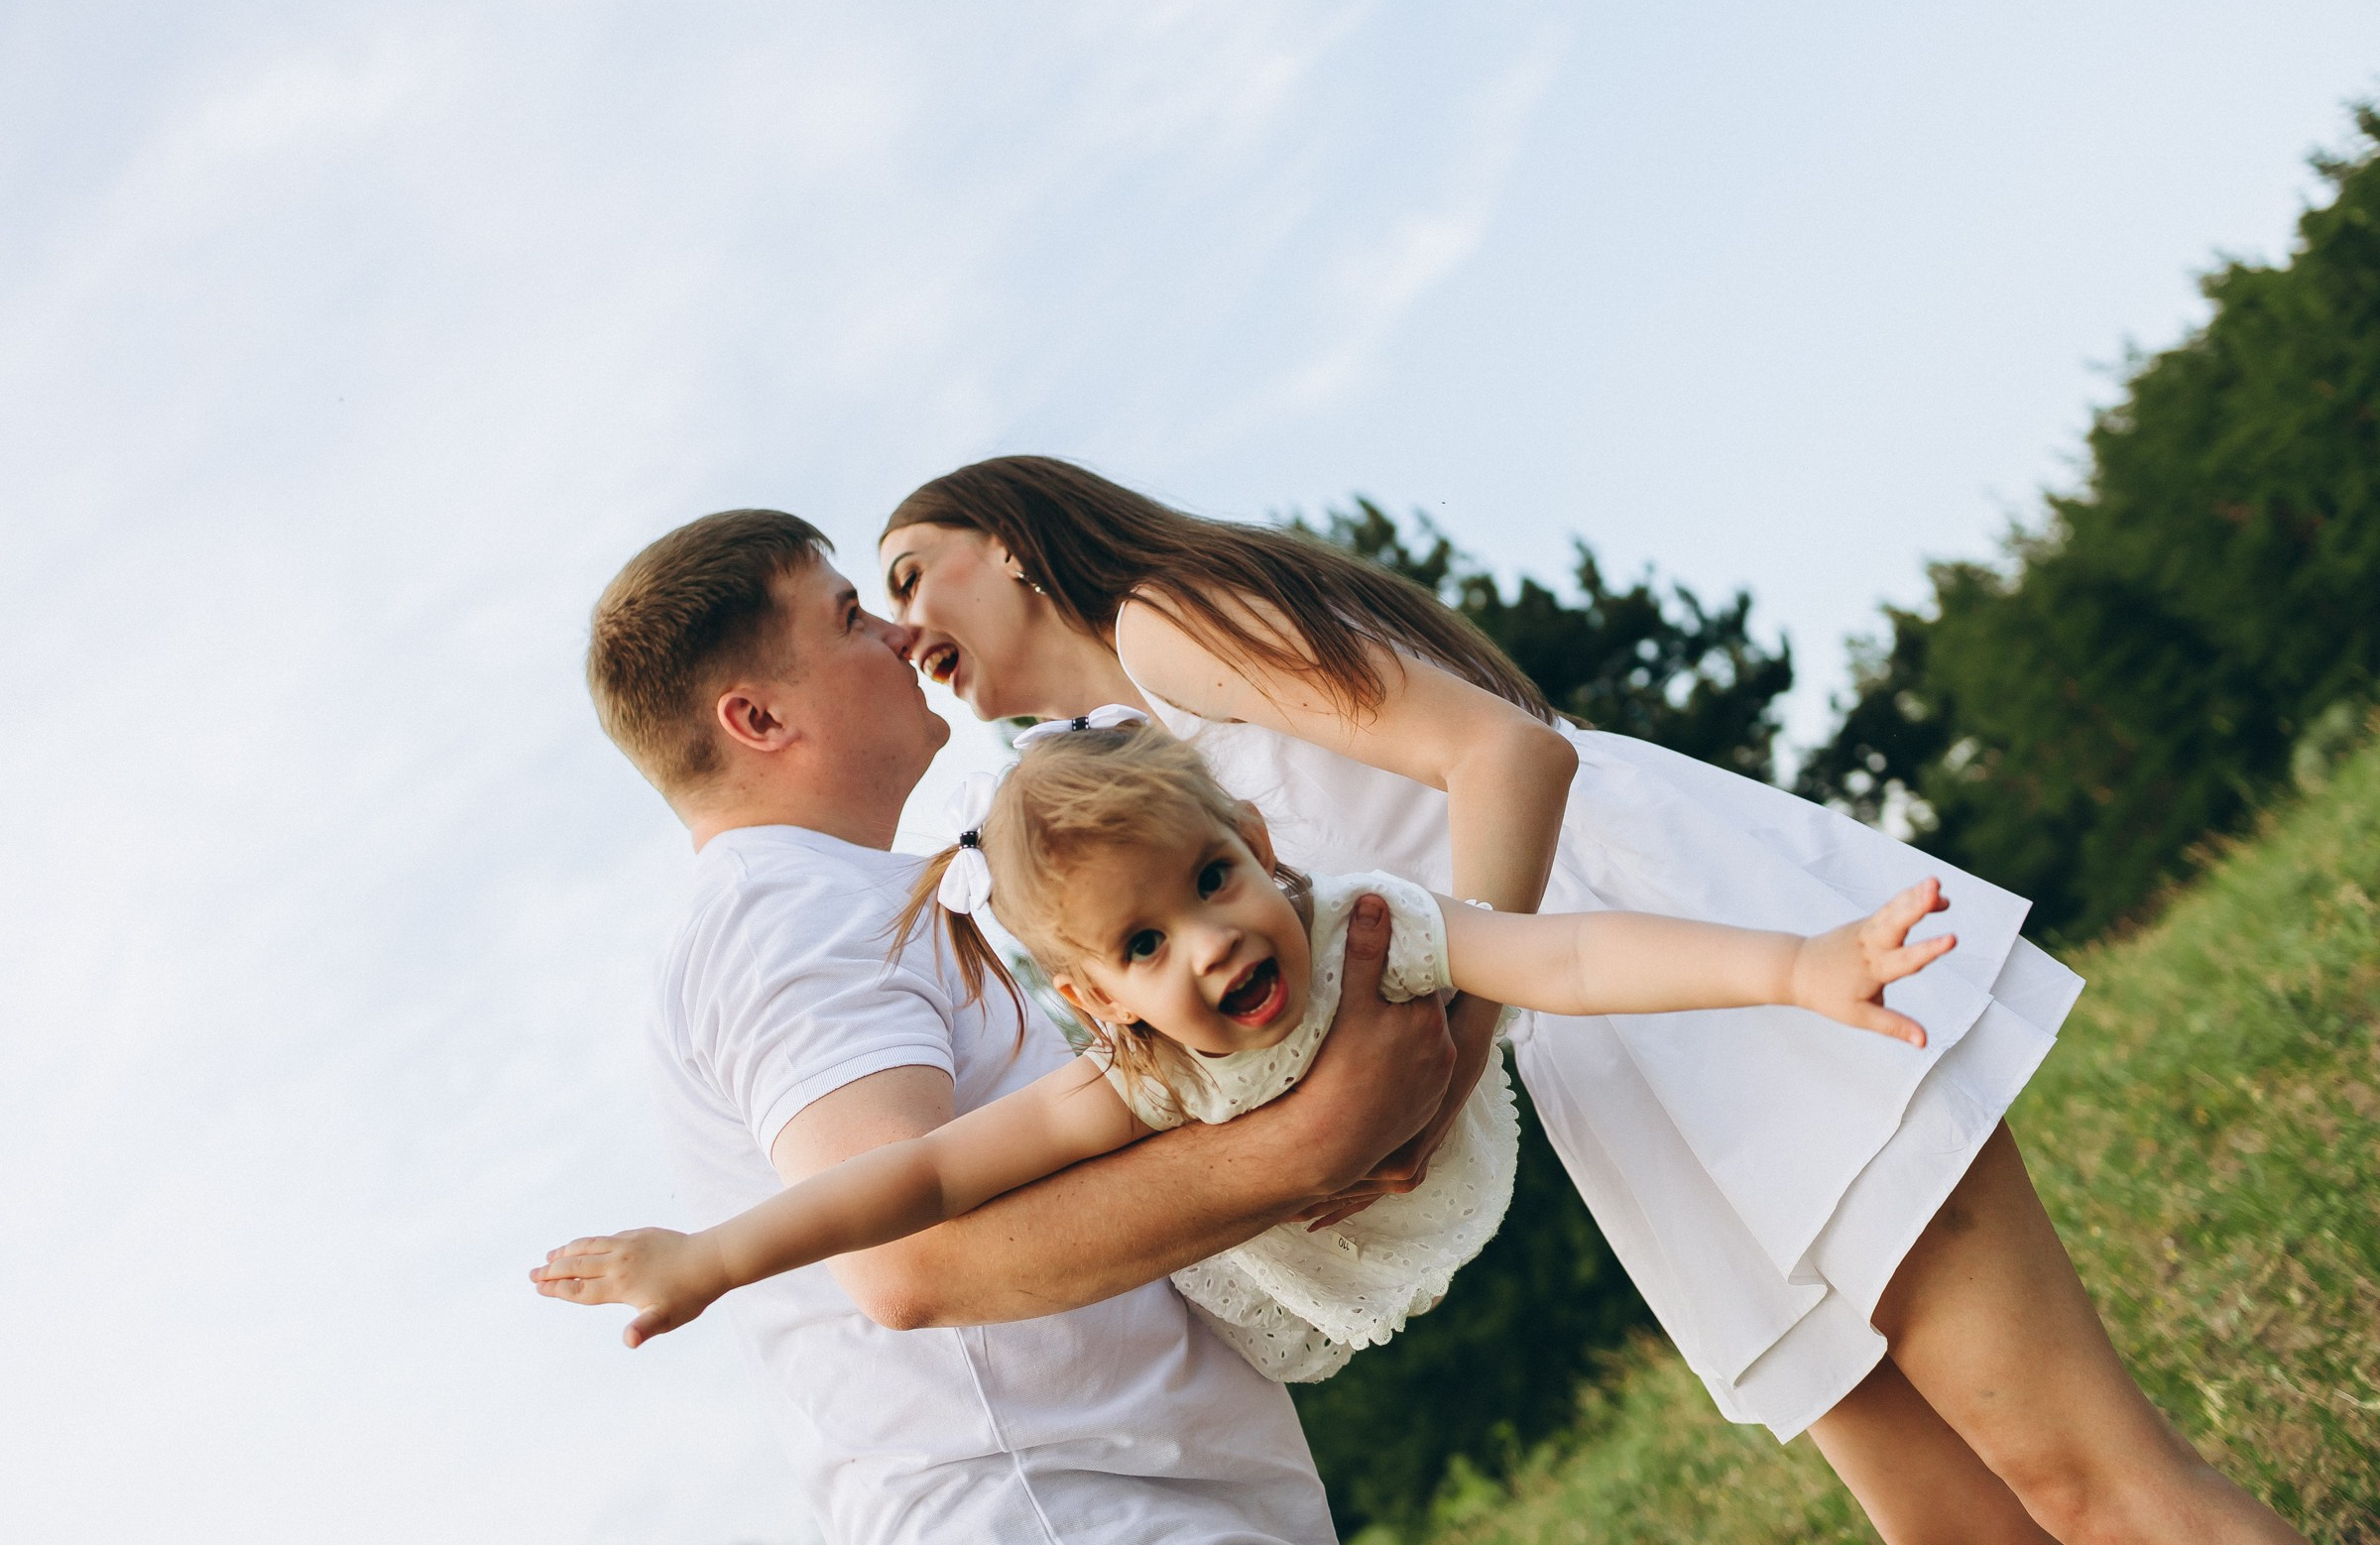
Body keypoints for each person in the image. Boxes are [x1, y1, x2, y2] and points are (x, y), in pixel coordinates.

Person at [873, 457, 2306, 1545]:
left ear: (1007, 539)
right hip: (1601, 1042)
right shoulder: (1146, 752)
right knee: (1949, 1521)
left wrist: (1449, 1054)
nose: (898, 623)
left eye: (909, 572)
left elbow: (1511, 759)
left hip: (1674, 952)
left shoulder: (1167, 620)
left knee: (2082, 1477)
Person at [562, 507, 1473, 1545]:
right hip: (1054, 1509)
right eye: (851, 617)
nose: (902, 636)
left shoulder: (818, 900)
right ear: (758, 720)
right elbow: (906, 1268)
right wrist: (1317, 1140)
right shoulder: (786, 915)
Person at [535, 718, 1956, 1380]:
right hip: (1277, 1286)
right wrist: (715, 1256)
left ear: (1261, 848)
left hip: (1434, 1179)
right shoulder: (1133, 1079)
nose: (1207, 947)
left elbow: (1572, 956)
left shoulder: (1368, 930)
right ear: (1097, 1003)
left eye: (1211, 883)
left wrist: (1796, 968)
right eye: (1142, 948)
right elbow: (915, 1184)